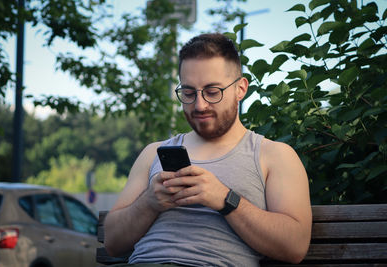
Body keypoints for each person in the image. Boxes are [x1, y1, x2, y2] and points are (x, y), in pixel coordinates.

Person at [104, 33, 312, 267]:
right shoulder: (154, 152)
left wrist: (225, 199)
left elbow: (295, 246)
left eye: (213, 92)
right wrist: (149, 202)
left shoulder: (274, 155)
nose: (200, 105)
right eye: (189, 93)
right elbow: (112, 243)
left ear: (241, 89)